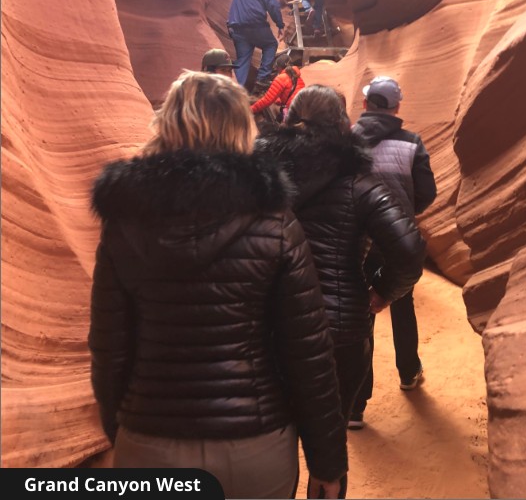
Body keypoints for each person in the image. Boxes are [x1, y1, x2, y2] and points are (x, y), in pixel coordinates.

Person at [88, 71, 348, 499]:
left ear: (167, 123)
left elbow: (109, 346)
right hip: (255, 446)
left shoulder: (123, 223)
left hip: (150, 439)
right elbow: (308, 353)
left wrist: (121, 427)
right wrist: (327, 460)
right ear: (240, 127)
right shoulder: (275, 222)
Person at [255, 85, 426, 499]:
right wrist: (383, 291)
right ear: (343, 125)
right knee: (328, 441)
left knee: (271, 433)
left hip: (268, 323)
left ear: (288, 120)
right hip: (340, 326)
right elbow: (408, 250)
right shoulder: (360, 183)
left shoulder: (259, 176)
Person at [350, 76, 437, 430]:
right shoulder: (411, 143)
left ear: (367, 102)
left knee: (359, 315)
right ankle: (408, 371)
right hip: (397, 237)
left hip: (356, 240)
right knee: (401, 303)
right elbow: (427, 193)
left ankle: (355, 405)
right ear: (397, 107)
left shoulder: (346, 141)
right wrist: (403, 208)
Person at [227, 0, 284, 92]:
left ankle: (234, 91)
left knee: (242, 61)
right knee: (271, 44)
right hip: (255, 25)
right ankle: (262, 79)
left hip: (236, 28)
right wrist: (280, 25)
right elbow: (272, 4)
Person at [250, 54, 305, 123]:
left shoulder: (281, 78)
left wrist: (251, 109)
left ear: (279, 67)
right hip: (303, 110)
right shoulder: (297, 76)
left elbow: (267, 101)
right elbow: (291, 92)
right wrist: (279, 99)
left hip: (293, 112)